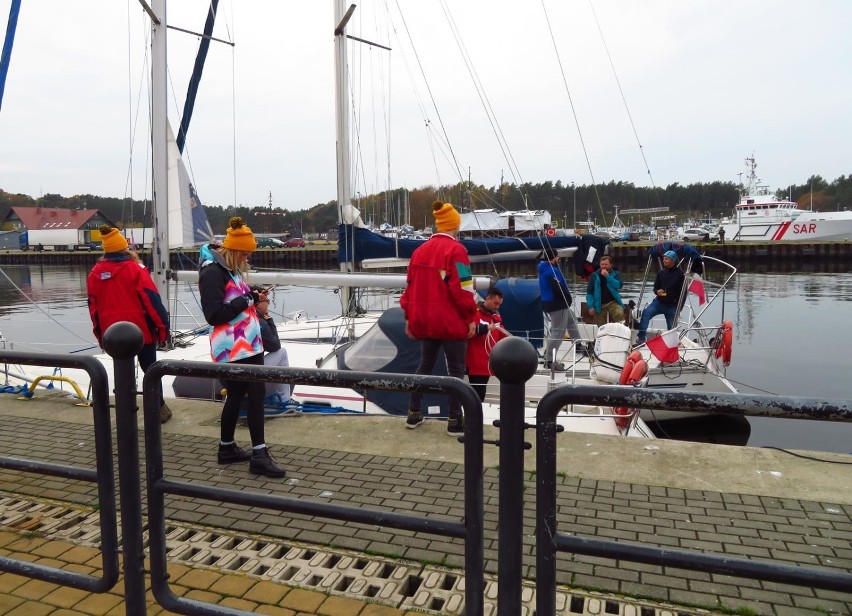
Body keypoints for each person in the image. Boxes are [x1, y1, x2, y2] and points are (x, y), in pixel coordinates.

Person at [198, 217, 286, 478]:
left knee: (236, 396)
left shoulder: (228, 269)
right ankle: (259, 454)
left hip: (243, 345)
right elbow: (214, 314)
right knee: (255, 396)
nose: (247, 258)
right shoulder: (213, 272)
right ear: (234, 250)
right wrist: (246, 299)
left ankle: (227, 448)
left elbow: (233, 297)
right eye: (245, 253)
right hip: (237, 348)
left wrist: (251, 292)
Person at [400, 200, 478, 435]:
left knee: (424, 365)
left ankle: (413, 413)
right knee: (455, 370)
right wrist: (472, 316)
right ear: (455, 226)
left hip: (425, 321)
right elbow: (463, 288)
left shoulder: (419, 251)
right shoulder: (457, 251)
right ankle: (454, 420)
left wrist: (408, 316)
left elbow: (409, 288)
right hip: (450, 322)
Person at [87, 225, 172, 423]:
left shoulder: (94, 274)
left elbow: (93, 309)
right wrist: (163, 328)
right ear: (125, 248)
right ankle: (158, 409)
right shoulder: (136, 270)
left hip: (112, 333)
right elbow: (152, 301)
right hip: (141, 331)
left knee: (121, 372)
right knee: (150, 370)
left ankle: (124, 410)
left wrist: (100, 335)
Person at [252, 286, 299, 411]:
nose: (268, 304)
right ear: (257, 305)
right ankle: (284, 400)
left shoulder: (245, 318)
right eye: (266, 301)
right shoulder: (260, 322)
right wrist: (270, 321)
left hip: (236, 368)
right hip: (251, 370)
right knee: (282, 353)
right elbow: (275, 346)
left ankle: (275, 397)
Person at [538, 247, 582, 370]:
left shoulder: (544, 268)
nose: (558, 259)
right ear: (554, 258)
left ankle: (578, 343)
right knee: (559, 332)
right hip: (557, 304)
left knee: (571, 319)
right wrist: (568, 299)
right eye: (557, 256)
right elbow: (558, 287)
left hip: (551, 303)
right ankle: (549, 360)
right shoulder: (552, 270)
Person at [465, 287, 509, 403]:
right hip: (475, 362)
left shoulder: (496, 318)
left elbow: (502, 337)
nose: (497, 307)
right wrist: (485, 328)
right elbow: (467, 333)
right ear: (488, 298)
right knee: (476, 394)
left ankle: (475, 417)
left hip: (487, 364)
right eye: (495, 303)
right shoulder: (474, 313)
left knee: (480, 394)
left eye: (499, 304)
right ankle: (473, 418)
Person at [636, 250, 685, 345]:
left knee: (672, 327)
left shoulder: (680, 275)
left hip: (672, 305)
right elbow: (655, 288)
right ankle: (641, 338)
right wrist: (657, 291)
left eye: (666, 259)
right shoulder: (661, 273)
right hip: (659, 303)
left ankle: (672, 343)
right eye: (663, 258)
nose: (664, 260)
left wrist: (680, 308)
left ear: (673, 260)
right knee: (645, 313)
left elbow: (683, 293)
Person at [585, 255, 625, 327]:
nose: (604, 266)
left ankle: (620, 331)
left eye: (606, 264)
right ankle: (603, 336)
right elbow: (589, 293)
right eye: (602, 264)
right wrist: (590, 306)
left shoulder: (616, 274)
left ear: (610, 265)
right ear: (600, 265)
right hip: (599, 304)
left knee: (619, 314)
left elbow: (619, 285)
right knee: (601, 326)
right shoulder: (594, 275)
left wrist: (607, 276)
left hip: (612, 302)